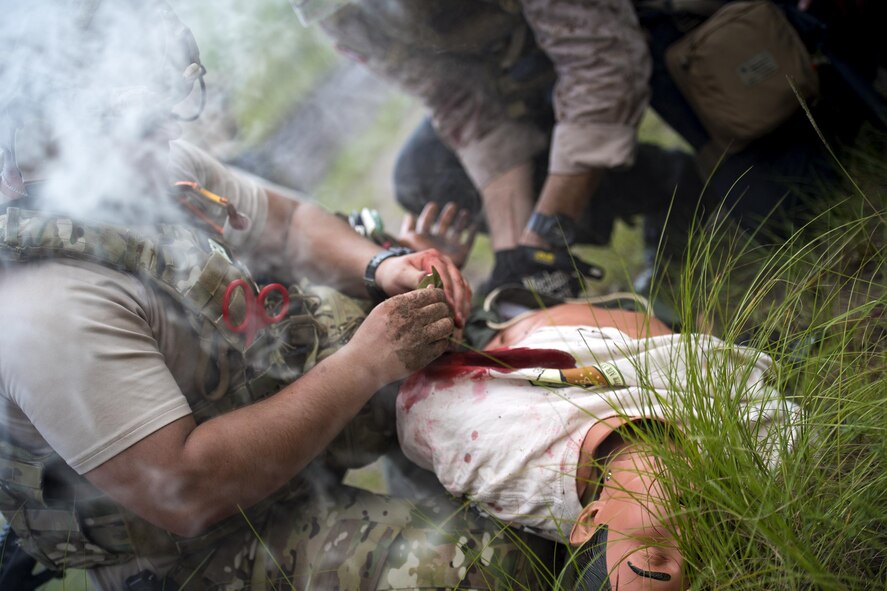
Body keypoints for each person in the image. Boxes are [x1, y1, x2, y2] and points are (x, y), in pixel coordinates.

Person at [0, 2, 555, 589]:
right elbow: (187, 490)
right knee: (484, 573)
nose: (169, 134)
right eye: (135, 117)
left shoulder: (141, 166)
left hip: (269, 419)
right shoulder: (44, 307)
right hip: (199, 549)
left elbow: (286, 225)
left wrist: (382, 265)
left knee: (462, 385)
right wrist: (365, 363)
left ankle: (464, 488)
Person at [297, 0, 883, 297]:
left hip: (636, 22)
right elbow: (464, 106)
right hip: (530, 52)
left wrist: (548, 230)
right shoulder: (336, 12)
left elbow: (600, 62)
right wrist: (517, 259)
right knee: (427, 173)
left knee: (794, 208)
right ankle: (666, 186)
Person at [394, 293, 800, 589]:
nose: (691, 530)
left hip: (499, 332)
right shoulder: (761, 448)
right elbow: (671, 343)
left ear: (591, 520)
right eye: (704, 548)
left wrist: (520, 327)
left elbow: (423, 408)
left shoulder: (506, 451)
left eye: (655, 554)